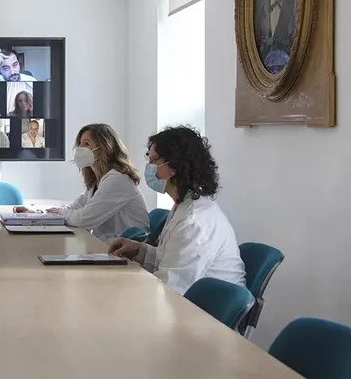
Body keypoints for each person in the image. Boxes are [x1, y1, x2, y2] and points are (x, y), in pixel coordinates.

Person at [108, 126, 246, 295]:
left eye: (154, 160)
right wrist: (139, 250)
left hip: (208, 313)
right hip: (189, 302)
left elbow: (171, 288)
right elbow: (170, 260)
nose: (149, 167)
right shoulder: (183, 204)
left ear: (175, 166)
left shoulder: (194, 220)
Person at [16, 124, 148, 244]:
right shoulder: (98, 180)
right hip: (106, 247)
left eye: (86, 144)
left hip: (128, 257)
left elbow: (83, 219)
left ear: (104, 148)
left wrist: (59, 212)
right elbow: (75, 208)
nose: (80, 149)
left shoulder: (117, 180)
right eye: (79, 144)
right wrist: (38, 213)